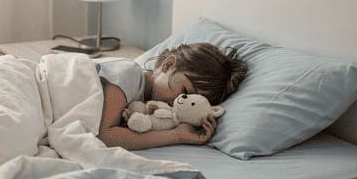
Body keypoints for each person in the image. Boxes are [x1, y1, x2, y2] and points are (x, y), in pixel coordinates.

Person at [97, 42, 248, 150]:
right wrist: (176, 136)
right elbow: (107, 136)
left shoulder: (151, 111)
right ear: (168, 65)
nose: (177, 103)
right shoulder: (130, 73)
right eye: (185, 93)